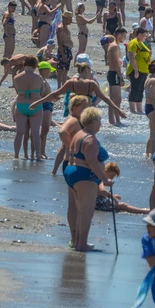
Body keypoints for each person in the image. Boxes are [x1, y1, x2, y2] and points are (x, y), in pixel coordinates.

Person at [63, 107, 113, 251]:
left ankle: (76, 240)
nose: (101, 124)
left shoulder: (79, 134)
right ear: (94, 121)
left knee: (77, 209)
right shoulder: (90, 139)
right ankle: (82, 243)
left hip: (71, 171)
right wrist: (104, 179)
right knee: (87, 211)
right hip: (84, 175)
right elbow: (92, 162)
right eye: (100, 121)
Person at [11, 57, 45, 161]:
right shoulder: (39, 78)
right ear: (35, 66)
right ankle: (38, 156)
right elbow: (42, 93)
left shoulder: (16, 78)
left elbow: (17, 92)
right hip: (35, 105)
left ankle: (16, 155)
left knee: (20, 132)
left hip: (21, 105)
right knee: (35, 132)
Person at [126, 27, 151, 114]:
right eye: (144, 35)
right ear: (139, 35)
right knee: (135, 89)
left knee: (141, 90)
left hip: (144, 70)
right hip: (136, 70)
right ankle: (132, 109)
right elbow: (132, 57)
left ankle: (139, 109)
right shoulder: (134, 43)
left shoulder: (142, 43)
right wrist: (136, 70)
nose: (145, 37)